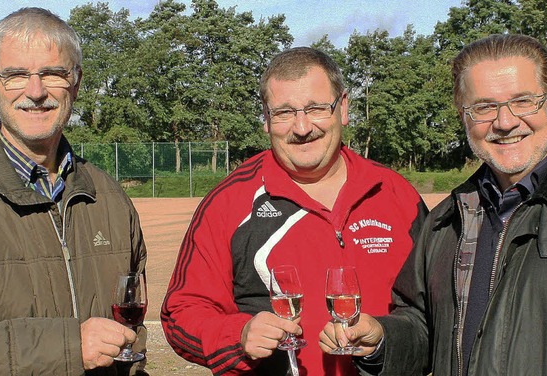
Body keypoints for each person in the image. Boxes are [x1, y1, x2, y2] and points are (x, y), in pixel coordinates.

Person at [321, 33, 547, 376]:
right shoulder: (447, 219)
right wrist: (383, 340)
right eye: (484, 107)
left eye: (523, 101)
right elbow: (422, 324)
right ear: (462, 115)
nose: (505, 121)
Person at [160, 47, 427, 375]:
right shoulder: (228, 203)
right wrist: (237, 335)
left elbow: (434, 320)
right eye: (285, 112)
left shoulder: (398, 197)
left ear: (343, 108)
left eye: (316, 108)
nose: (302, 128)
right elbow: (180, 314)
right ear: (266, 117)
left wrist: (385, 340)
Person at [0, 7, 147, 375]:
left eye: (53, 73)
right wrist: (68, 346)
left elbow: (133, 336)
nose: (35, 92)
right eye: (16, 75)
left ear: (76, 82)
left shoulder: (110, 197)